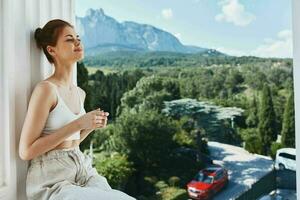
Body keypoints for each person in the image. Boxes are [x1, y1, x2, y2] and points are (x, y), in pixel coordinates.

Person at [18, 19, 136, 200]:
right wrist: (79, 123)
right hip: (53, 180)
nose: (77, 42)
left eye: (77, 38)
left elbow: (71, 142)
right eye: (69, 39)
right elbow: (26, 151)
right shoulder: (47, 90)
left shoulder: (79, 93)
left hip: (82, 168)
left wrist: (89, 126)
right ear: (52, 50)